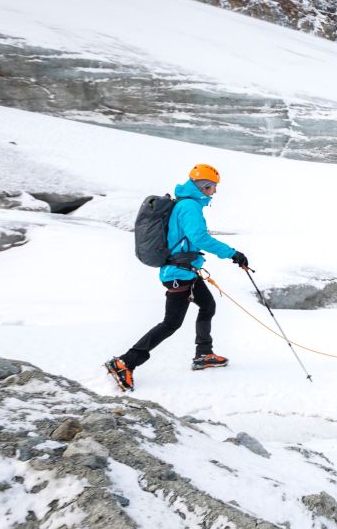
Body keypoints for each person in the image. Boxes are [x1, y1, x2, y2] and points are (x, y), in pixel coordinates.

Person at [106, 164, 248, 391]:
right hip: (179, 274)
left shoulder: (185, 204)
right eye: (212, 187)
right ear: (203, 186)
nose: (215, 192)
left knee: (208, 305)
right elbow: (199, 238)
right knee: (171, 323)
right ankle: (125, 362)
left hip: (185, 270)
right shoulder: (190, 206)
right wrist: (233, 254)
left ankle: (204, 353)